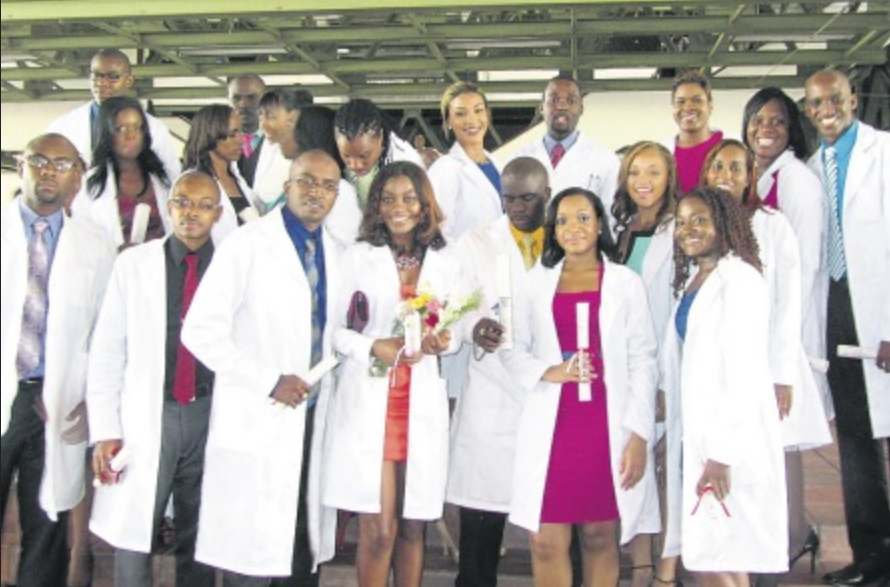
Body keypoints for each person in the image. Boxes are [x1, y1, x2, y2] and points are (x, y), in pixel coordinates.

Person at [181, 150, 342, 586]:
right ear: (287, 186)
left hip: (311, 418)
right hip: (257, 415)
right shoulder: (247, 244)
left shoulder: (334, 251)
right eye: (307, 181)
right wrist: (268, 381)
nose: (317, 192)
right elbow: (200, 331)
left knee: (299, 550)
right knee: (249, 559)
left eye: (328, 186)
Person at [501, 188, 659, 587]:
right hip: (554, 422)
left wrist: (639, 434)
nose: (574, 228)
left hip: (606, 420)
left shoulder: (625, 283)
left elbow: (643, 359)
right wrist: (549, 371)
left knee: (600, 535)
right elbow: (511, 348)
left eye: (583, 218)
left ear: (600, 223)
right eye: (563, 221)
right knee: (545, 541)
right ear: (553, 230)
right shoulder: (536, 283)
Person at [323, 161, 460, 587]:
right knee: (380, 530)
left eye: (408, 198)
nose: (398, 207)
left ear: (424, 205)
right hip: (371, 406)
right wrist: (372, 346)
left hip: (419, 404)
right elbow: (335, 332)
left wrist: (443, 341)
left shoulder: (445, 260)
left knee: (413, 527)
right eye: (388, 199)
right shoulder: (355, 257)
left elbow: (455, 328)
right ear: (376, 206)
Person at [86, 170, 222, 587]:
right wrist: (105, 429)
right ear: (169, 206)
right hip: (150, 413)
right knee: (135, 528)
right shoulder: (135, 265)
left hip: (210, 412)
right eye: (183, 202)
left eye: (203, 205)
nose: (191, 213)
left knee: (200, 530)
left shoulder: (231, 267)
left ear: (218, 214)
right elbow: (107, 350)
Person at [1, 133, 115, 587]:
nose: (49, 171)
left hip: (56, 400)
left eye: (63, 164)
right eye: (39, 161)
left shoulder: (95, 245)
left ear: (77, 178)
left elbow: (105, 333)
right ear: (21, 166)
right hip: (6, 389)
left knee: (47, 526)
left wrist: (89, 398)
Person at [662, 186, 787, 586]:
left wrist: (722, 454)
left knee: (719, 558)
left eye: (700, 220)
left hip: (729, 443)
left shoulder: (740, 281)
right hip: (702, 433)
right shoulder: (697, 279)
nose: (688, 229)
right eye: (682, 222)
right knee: (718, 555)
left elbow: (745, 373)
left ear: (725, 223)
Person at [803, 68, 890, 586]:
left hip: (880, 308)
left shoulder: (886, 154)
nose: (826, 109)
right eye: (816, 103)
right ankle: (873, 556)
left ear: (853, 99)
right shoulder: (813, 169)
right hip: (838, 307)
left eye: (834, 99)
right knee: (856, 437)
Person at [741, 89, 834, 572]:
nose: (767, 129)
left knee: (785, 442)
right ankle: (782, 535)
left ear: (792, 128)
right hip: (762, 335)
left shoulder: (796, 180)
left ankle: (795, 536)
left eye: (778, 121)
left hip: (786, 335)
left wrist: (782, 346)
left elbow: (805, 266)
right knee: (771, 440)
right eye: (758, 120)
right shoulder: (758, 176)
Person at [447, 156, 551, 587]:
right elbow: (454, 306)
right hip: (491, 391)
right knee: (481, 518)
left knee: (556, 523)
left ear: (547, 195)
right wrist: (474, 326)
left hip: (547, 390)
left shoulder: (567, 239)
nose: (517, 208)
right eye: (509, 199)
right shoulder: (475, 243)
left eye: (528, 199)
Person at [611, 141, 679, 587]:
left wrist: (663, 383)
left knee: (666, 468)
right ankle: (640, 562)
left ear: (669, 178)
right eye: (636, 172)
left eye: (654, 172)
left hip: (664, 364)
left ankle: (667, 569)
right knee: (634, 467)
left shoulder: (678, 231)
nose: (644, 181)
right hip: (627, 366)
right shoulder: (620, 229)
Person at [47, 48, 181, 180]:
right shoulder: (62, 127)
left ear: (129, 81)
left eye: (112, 77)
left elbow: (171, 176)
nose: (102, 83)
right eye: (96, 75)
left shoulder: (155, 129)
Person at [72, 95, 172, 250]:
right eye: (120, 129)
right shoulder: (89, 184)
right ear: (106, 132)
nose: (131, 136)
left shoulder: (165, 176)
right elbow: (81, 238)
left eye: (137, 127)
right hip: (112, 264)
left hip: (162, 262)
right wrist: (115, 251)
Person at [516, 75, 620, 220]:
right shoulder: (521, 158)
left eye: (571, 101)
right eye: (554, 100)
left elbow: (612, 217)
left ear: (581, 108)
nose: (561, 107)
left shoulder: (605, 160)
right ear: (541, 107)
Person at [428, 81, 503, 242]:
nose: (471, 120)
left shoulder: (498, 165)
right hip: (465, 258)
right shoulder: (444, 170)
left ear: (487, 115)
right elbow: (437, 232)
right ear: (448, 121)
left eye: (478, 110)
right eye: (461, 114)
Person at [334, 98, 424, 211]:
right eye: (346, 156)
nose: (355, 165)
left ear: (380, 137)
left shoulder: (406, 163)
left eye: (364, 156)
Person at [182, 104, 253, 236]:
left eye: (240, 132)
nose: (241, 141)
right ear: (210, 136)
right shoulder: (191, 184)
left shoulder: (237, 179)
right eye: (232, 135)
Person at [253, 88, 312, 207]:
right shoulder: (259, 145)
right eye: (261, 117)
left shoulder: (309, 154)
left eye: (271, 117)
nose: (263, 125)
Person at [669, 70, 723, 194]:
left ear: (710, 105)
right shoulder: (664, 154)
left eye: (697, 100)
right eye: (681, 101)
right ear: (673, 107)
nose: (688, 107)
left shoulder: (727, 148)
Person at [229, 74, 269, 188]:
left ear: (266, 100)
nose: (243, 104)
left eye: (251, 98)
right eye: (236, 98)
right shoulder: (216, 143)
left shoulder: (285, 142)